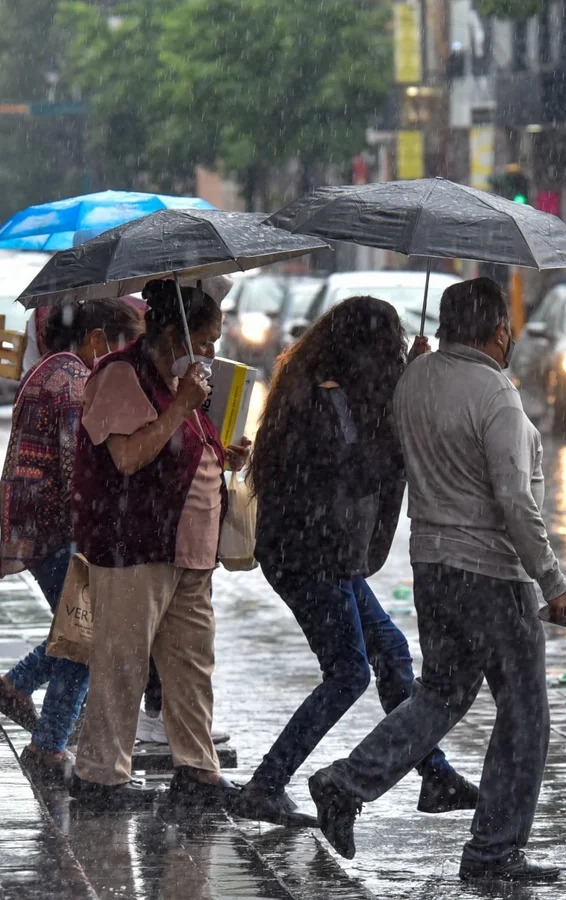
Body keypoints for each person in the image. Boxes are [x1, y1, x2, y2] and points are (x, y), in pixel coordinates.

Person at [308, 277, 566, 884]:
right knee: (524, 712)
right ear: (495, 331)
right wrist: (553, 581)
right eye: (506, 327)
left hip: (432, 567)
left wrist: (415, 369)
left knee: (441, 694)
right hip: (491, 573)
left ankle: (347, 781)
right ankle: (493, 852)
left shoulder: (415, 381)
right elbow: (514, 497)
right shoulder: (496, 394)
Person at [230, 296, 478, 826]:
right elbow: (356, 469)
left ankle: (433, 775)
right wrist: (400, 412)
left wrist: (407, 381)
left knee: (389, 651)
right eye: (387, 347)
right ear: (363, 349)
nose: (390, 358)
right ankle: (267, 784)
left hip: (323, 553)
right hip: (308, 556)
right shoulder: (325, 398)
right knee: (347, 672)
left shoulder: (333, 390)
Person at [69, 279, 249, 811]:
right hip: (135, 545)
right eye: (207, 340)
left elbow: (187, 445)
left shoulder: (182, 381)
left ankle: (196, 770)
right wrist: (183, 405)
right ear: (176, 334)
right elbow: (128, 457)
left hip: (190, 551)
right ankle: (100, 776)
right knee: (122, 663)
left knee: (191, 666)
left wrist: (223, 454)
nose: (213, 351)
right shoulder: (123, 375)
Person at [0, 297, 143, 783]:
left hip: (37, 524)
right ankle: (47, 742)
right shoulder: (73, 383)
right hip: (57, 528)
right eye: (119, 347)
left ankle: (16, 688)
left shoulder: (50, 368)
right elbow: (79, 469)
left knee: (79, 628)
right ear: (96, 340)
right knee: (86, 635)